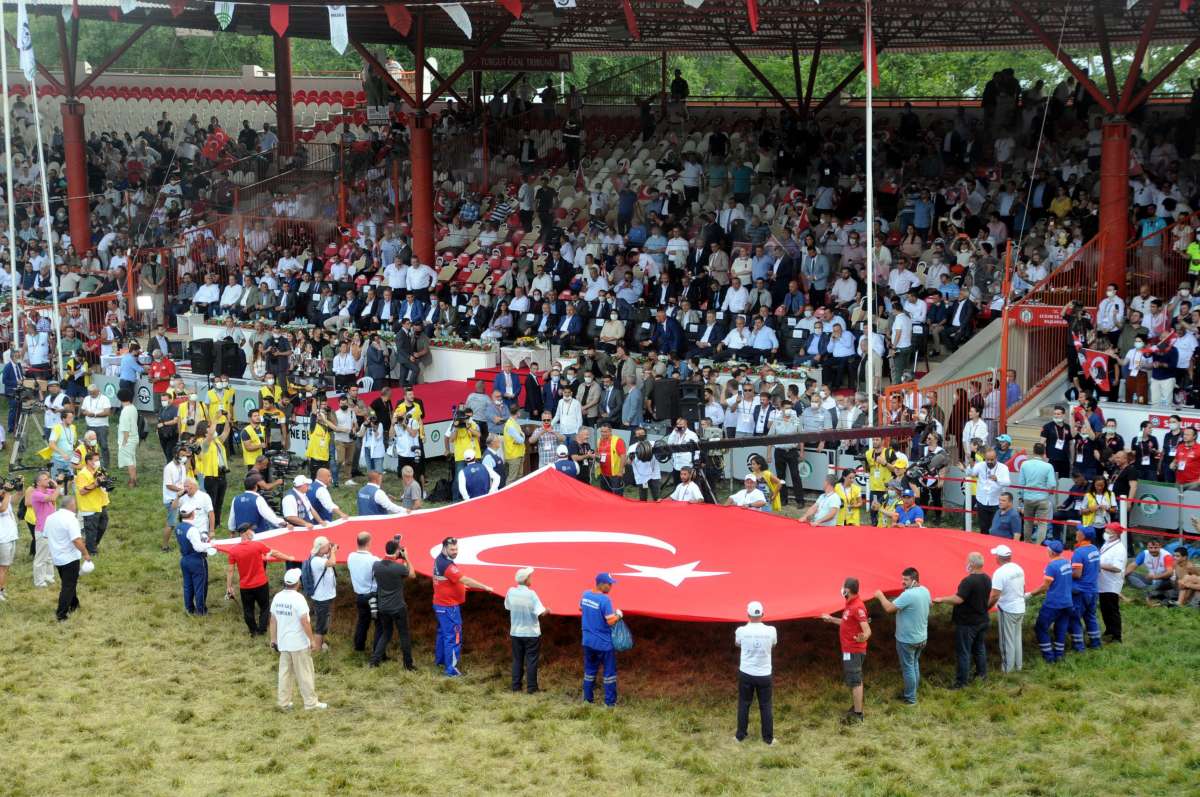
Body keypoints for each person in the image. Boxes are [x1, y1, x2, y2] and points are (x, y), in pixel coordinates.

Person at [432, 536, 495, 676]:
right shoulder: (447, 565)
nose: (455, 551)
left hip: (440, 604)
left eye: (456, 548)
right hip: (449, 607)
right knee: (453, 636)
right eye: (452, 549)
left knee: (443, 634)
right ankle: (451, 670)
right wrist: (484, 587)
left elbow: (448, 581)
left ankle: (440, 661)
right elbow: (464, 579)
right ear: (444, 548)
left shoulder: (439, 559)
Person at [269, 568, 327, 711]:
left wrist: (273, 639)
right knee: (305, 673)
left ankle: (283, 703)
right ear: (297, 583)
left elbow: (273, 620)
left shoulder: (278, 597)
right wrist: (312, 640)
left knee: (284, 674)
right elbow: (304, 622)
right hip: (299, 644)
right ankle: (310, 703)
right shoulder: (298, 599)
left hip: (283, 643)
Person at [873, 567, 931, 705]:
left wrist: (880, 596)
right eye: (902, 579)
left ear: (914, 580)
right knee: (914, 664)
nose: (902, 582)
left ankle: (910, 699)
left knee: (908, 668)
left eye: (906, 579)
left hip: (907, 640)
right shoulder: (925, 590)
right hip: (921, 638)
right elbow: (930, 604)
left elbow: (888, 608)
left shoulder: (908, 595)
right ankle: (912, 692)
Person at [934, 552, 991, 688]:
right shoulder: (987, 578)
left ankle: (961, 683)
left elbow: (958, 599)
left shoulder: (968, 581)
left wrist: (942, 599)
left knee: (964, 652)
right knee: (979, 649)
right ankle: (982, 675)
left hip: (968, 622)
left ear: (971, 564)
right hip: (982, 619)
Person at [820, 577, 871, 724]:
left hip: (854, 650)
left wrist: (863, 637)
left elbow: (867, 630)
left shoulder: (857, 607)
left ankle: (858, 714)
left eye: (843, 588)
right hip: (849, 649)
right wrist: (831, 619)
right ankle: (856, 706)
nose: (841, 590)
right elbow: (846, 622)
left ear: (847, 590)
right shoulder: (849, 605)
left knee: (855, 681)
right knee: (855, 679)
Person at [223, 523, 287, 636]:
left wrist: (229, 586)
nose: (253, 532)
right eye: (251, 530)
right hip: (261, 583)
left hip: (245, 586)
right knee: (265, 607)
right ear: (247, 532)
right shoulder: (258, 545)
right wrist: (290, 558)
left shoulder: (233, 551)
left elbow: (230, 570)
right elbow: (274, 553)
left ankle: (253, 630)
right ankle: (262, 629)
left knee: (248, 609)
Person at [734, 600, 776, 744]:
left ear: (748, 615)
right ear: (763, 614)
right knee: (765, 706)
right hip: (764, 674)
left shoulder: (741, 631)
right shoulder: (771, 631)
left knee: (744, 704)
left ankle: (740, 736)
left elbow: (737, 643)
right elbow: (774, 643)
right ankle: (768, 739)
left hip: (746, 672)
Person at [371, 537, 416, 669]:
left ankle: (374, 661)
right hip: (398, 607)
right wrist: (406, 557)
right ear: (397, 552)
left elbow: (385, 561)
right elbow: (412, 575)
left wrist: (396, 554)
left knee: (386, 633)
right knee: (404, 635)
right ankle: (408, 665)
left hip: (383, 606)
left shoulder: (376, 565)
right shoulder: (399, 568)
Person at [44, 495, 91, 622]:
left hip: (57, 557)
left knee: (69, 582)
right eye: (75, 505)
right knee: (68, 585)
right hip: (70, 558)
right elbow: (76, 540)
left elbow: (46, 536)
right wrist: (85, 553)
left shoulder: (50, 517)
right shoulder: (71, 519)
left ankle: (74, 604)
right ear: (71, 505)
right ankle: (61, 613)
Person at [1028, 540, 1076, 663]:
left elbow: (1045, 586)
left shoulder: (1051, 566)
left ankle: (1048, 656)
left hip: (1053, 604)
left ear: (1051, 552)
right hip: (1067, 602)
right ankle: (1059, 654)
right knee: (1061, 628)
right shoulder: (1067, 562)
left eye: (1047, 549)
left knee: (1041, 627)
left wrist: (1030, 594)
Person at [580, 572, 622, 706]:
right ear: (601, 584)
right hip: (604, 644)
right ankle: (610, 703)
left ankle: (587, 700)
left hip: (587, 641)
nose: (611, 587)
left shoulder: (585, 594)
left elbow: (581, 609)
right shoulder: (605, 600)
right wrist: (619, 615)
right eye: (609, 584)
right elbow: (610, 621)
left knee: (589, 672)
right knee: (609, 674)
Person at [505, 566, 548, 693]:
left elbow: (507, 606)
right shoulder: (531, 594)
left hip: (516, 632)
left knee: (517, 659)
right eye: (530, 576)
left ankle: (516, 686)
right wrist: (548, 610)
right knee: (531, 660)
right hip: (531, 633)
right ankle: (531, 688)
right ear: (526, 579)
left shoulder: (511, 591)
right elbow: (541, 612)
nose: (531, 578)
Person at [988, 544, 1026, 673]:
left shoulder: (999, 573)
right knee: (1016, 638)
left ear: (999, 557)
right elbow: (1023, 588)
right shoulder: (1018, 568)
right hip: (1020, 607)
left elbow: (994, 595)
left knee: (1006, 640)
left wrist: (986, 608)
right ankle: (1018, 666)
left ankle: (1007, 669)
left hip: (1007, 609)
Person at [174, 506, 217, 615]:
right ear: (192, 514)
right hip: (196, 560)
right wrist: (210, 545)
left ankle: (189, 609)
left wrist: (201, 538)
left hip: (185, 559)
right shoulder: (192, 529)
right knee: (200, 587)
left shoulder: (178, 527)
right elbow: (198, 547)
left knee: (188, 586)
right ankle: (201, 611)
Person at [1068, 527, 1103, 651]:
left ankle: (1078, 646)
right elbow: (1098, 568)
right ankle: (1096, 643)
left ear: (1083, 535)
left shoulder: (1079, 552)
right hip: (1093, 589)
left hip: (1080, 591)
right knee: (1090, 616)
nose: (1076, 532)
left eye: (1078, 531)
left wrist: (1066, 571)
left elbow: (1077, 573)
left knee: (1075, 618)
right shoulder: (1094, 549)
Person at [347, 531, 380, 655]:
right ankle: (377, 651)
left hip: (360, 596)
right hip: (373, 596)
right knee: (379, 624)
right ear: (369, 543)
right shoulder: (373, 560)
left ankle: (359, 646)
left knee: (362, 622)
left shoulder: (350, 556)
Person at [305, 536, 338, 652]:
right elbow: (332, 562)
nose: (329, 547)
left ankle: (321, 643)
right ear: (321, 547)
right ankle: (317, 648)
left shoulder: (320, 556)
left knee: (324, 621)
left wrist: (332, 550)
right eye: (327, 546)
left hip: (325, 596)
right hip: (322, 597)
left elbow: (329, 558)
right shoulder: (316, 561)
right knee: (321, 623)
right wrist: (333, 551)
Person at [74, 451, 110, 555]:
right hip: (90, 507)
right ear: (89, 461)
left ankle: (93, 545)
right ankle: (91, 551)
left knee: (102, 526)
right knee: (91, 531)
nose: (98, 462)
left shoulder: (98, 471)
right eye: (96, 460)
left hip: (101, 504)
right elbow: (82, 491)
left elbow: (107, 486)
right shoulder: (82, 474)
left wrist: (107, 482)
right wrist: (96, 483)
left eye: (98, 460)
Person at [1097, 524, 1127, 643]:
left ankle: (1116, 636)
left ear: (1116, 533)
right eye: (1106, 531)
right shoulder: (1107, 544)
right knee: (1104, 609)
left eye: (1108, 531)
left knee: (1112, 610)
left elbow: (1117, 567)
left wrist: (1098, 565)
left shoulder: (1119, 549)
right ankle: (1109, 630)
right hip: (1103, 583)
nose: (1105, 533)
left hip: (1111, 584)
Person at [1124, 537, 1176, 603]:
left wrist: (1155, 577)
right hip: (1151, 580)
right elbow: (1132, 565)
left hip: (1165, 580)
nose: (1153, 550)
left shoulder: (1166, 556)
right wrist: (1122, 576)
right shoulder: (1144, 553)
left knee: (1159, 583)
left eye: (1155, 548)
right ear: (1147, 547)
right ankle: (1148, 589)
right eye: (1151, 548)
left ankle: (1147, 590)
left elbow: (1170, 573)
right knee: (1129, 575)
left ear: (1160, 546)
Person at [116, 388, 138, 487]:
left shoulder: (125, 411)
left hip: (128, 439)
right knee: (132, 459)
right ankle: (134, 479)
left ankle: (132, 481)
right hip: (134, 437)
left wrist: (124, 442)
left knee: (129, 461)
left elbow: (126, 428)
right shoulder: (133, 408)